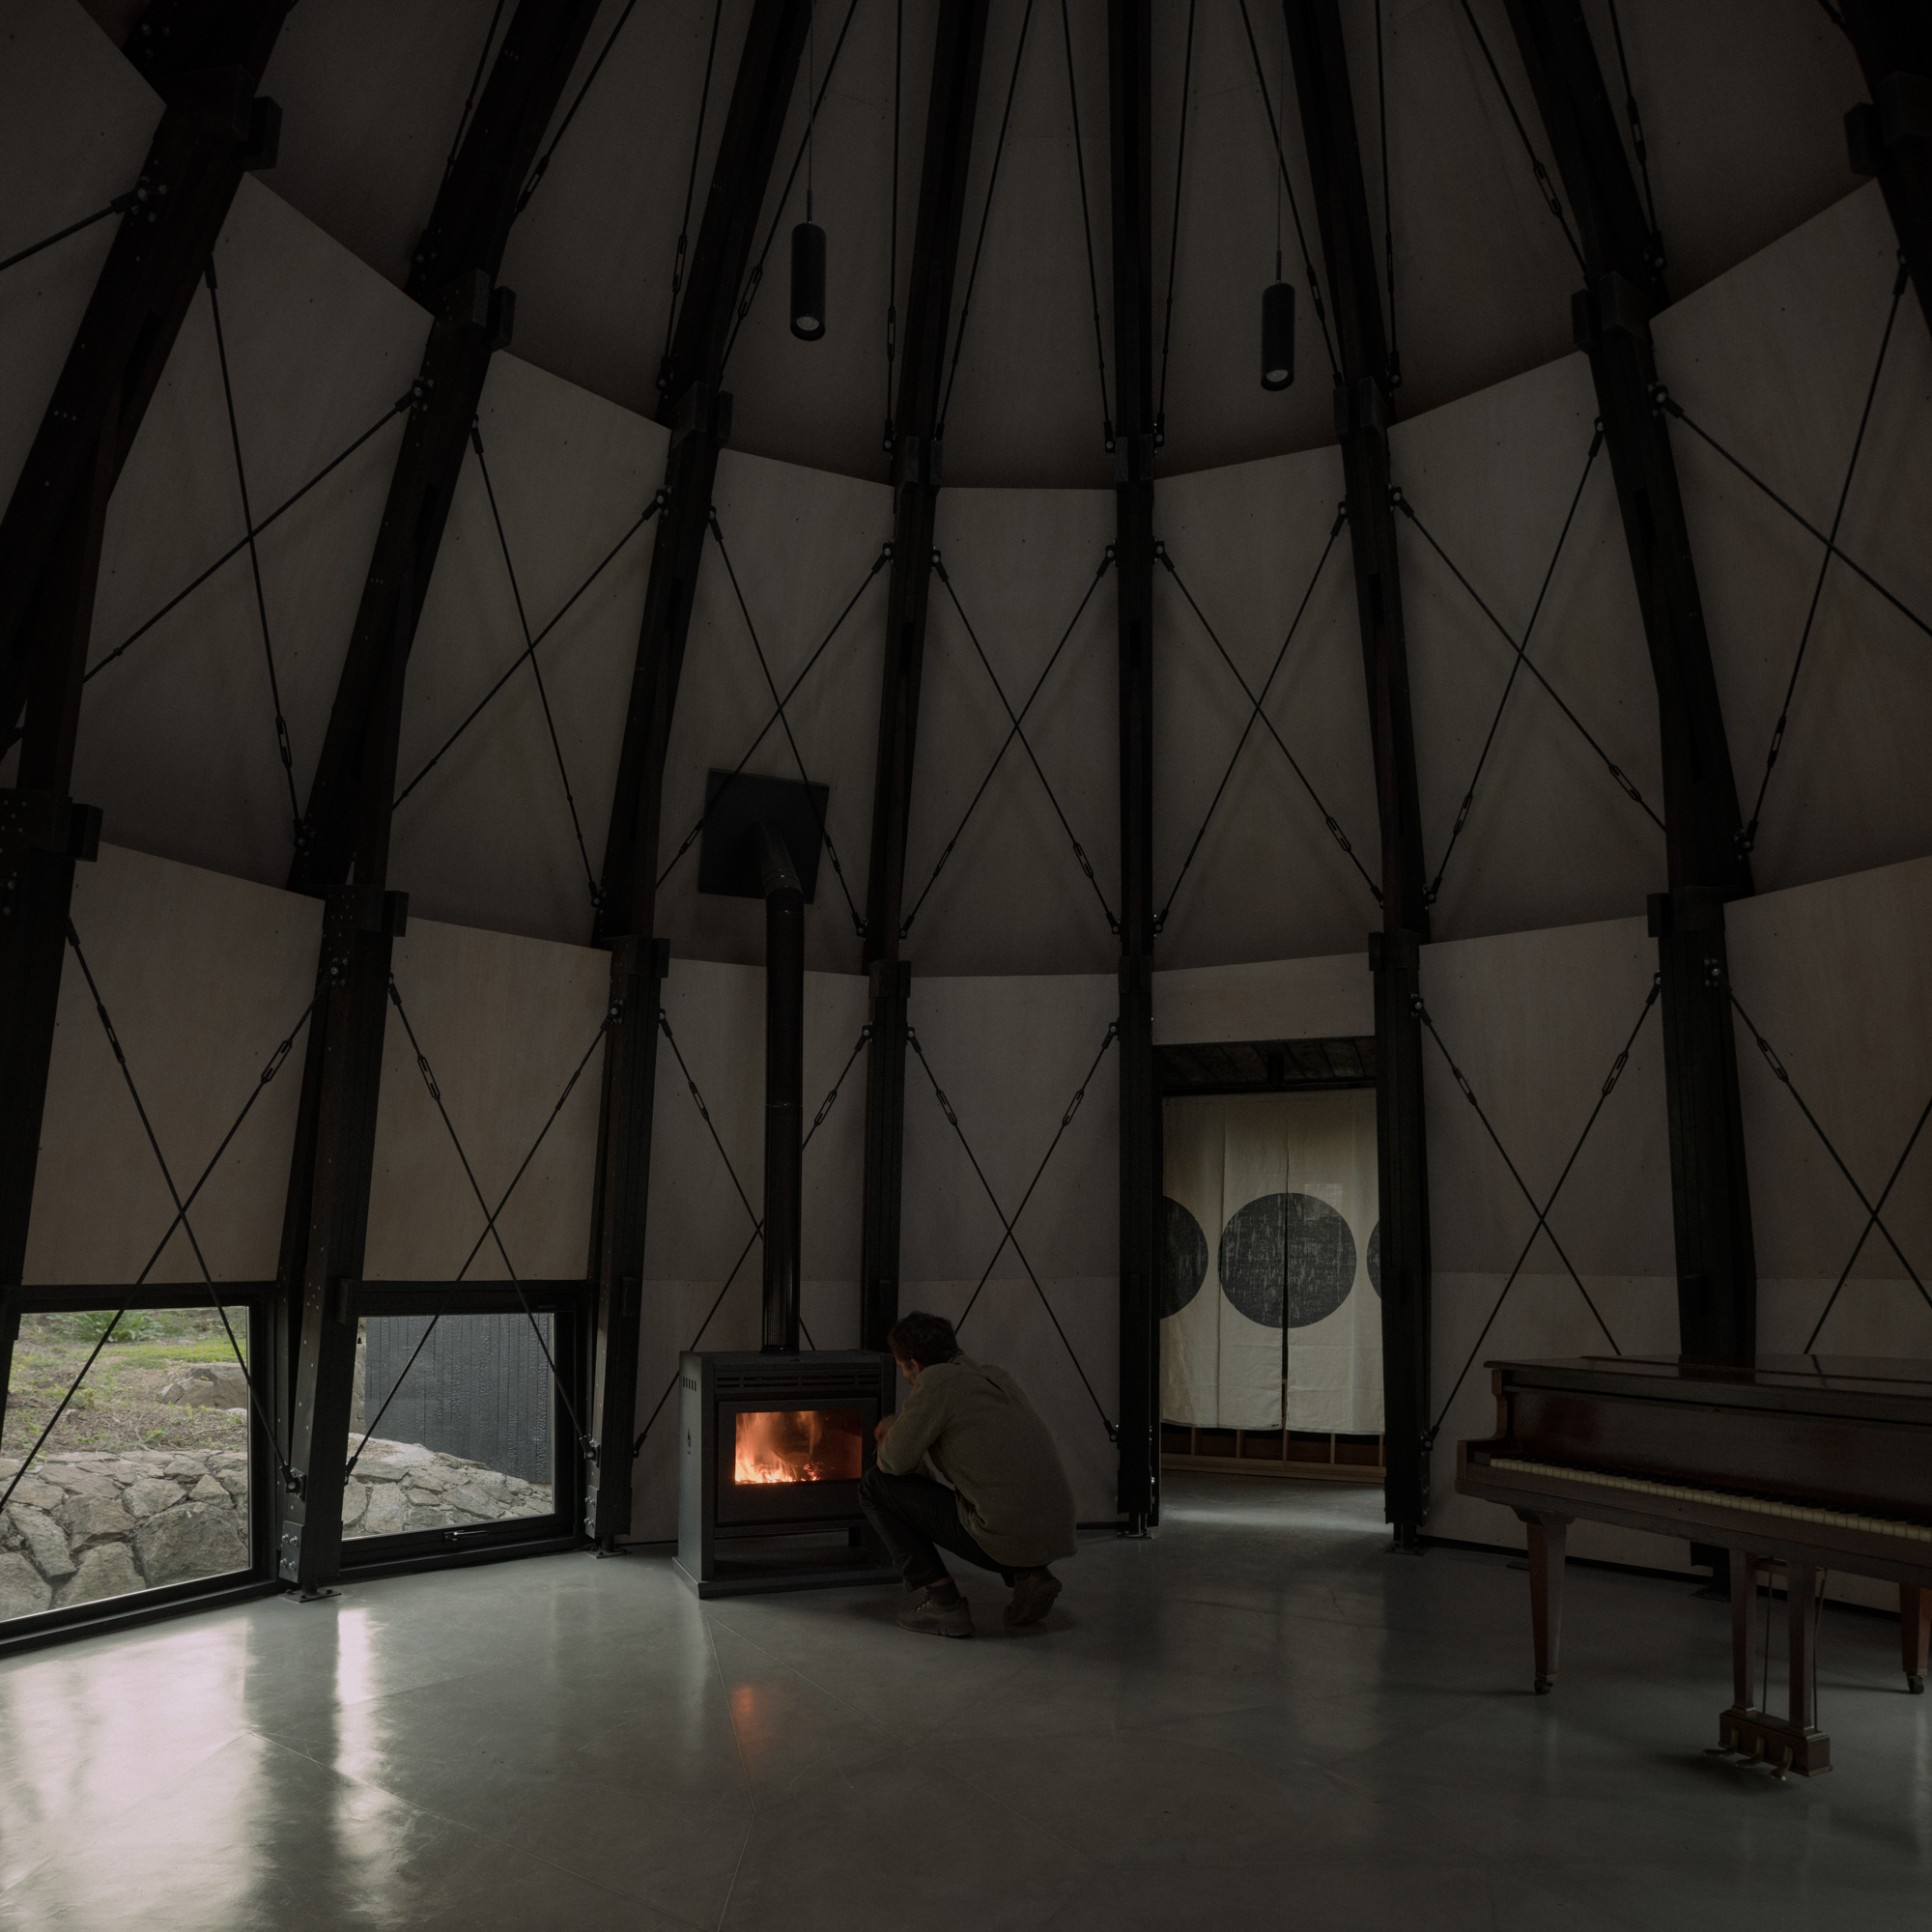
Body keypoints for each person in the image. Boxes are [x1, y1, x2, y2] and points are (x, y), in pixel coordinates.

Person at [858, 1310, 1078, 1638]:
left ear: (914, 1366)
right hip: (1055, 1532)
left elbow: (892, 1464)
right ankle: (1030, 1575)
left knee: (874, 1485)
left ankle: (944, 1603)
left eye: (903, 1367)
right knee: (1000, 1497)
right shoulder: (994, 1376)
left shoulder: (934, 1383)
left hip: (1002, 1537)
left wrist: (894, 1428)